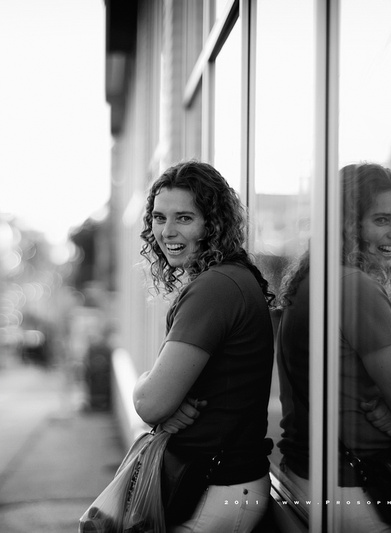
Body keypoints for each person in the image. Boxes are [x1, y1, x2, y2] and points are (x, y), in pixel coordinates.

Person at [277, 162, 391, 532]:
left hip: (309, 475)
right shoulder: (354, 287)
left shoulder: (315, 279)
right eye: (381, 219)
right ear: (347, 225)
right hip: (351, 489)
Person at [132, 160, 276, 532]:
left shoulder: (214, 288)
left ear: (213, 224)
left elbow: (150, 403)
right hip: (223, 486)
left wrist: (147, 388)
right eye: (159, 218)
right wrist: (168, 403)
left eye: (184, 218)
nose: (167, 231)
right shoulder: (229, 279)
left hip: (217, 491)